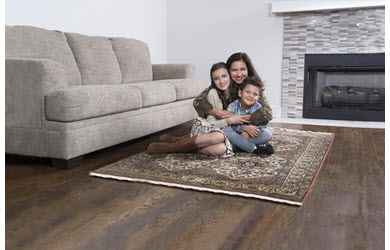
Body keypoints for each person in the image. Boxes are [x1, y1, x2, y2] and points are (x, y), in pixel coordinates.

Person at [148, 62, 248, 157]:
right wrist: (228, 121)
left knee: (221, 149)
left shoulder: (239, 93)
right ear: (213, 81)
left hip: (221, 135)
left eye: (224, 76)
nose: (221, 81)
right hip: (207, 129)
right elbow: (211, 124)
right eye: (216, 78)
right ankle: (173, 147)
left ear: (229, 75)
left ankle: (185, 144)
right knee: (219, 136)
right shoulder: (213, 93)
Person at [193, 52, 273, 140]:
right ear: (228, 71)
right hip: (228, 127)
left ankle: (238, 144)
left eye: (242, 69)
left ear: (248, 70)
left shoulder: (253, 86)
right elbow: (198, 102)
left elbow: (267, 112)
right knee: (225, 133)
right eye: (234, 70)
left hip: (247, 127)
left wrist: (245, 121)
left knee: (266, 135)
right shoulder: (222, 83)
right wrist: (219, 112)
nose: (239, 74)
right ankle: (241, 144)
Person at [223, 77, 274, 155]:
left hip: (250, 136)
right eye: (248, 92)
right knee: (225, 130)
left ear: (258, 98)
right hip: (236, 134)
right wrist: (243, 128)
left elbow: (263, 125)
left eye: (255, 94)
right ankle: (253, 148)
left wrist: (249, 133)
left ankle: (240, 146)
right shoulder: (232, 107)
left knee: (267, 134)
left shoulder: (259, 108)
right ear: (240, 93)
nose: (251, 96)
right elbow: (230, 125)